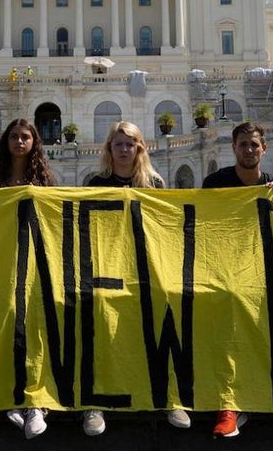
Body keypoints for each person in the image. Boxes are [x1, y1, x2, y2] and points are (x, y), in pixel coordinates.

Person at [87, 122, 193, 433]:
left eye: (129, 144)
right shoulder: (97, 183)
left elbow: (166, 225)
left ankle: (171, 398)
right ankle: (95, 401)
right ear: (109, 149)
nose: (124, 150)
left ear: (139, 148)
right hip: (108, 265)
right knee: (101, 324)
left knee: (162, 322)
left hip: (148, 265)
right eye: (118, 144)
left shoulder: (154, 184)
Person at [0, 119, 63, 439]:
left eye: (25, 137)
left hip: (34, 259)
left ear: (34, 142)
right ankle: (9, 395)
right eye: (14, 136)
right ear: (6, 141)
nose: (19, 142)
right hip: (0, 259)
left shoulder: (44, 179)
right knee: (5, 321)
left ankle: (34, 400)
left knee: (33, 324)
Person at [200, 122, 273, 438]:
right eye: (243, 144)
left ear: (264, 149)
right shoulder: (214, 183)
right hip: (222, 270)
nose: (249, 150)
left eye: (254, 145)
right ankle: (229, 402)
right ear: (233, 147)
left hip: (259, 270)